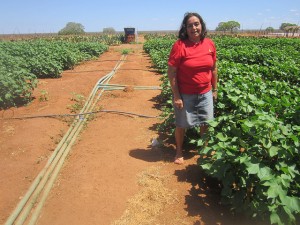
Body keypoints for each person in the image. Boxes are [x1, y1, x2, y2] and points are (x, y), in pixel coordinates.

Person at [167, 12, 218, 164]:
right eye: (190, 25)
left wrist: (214, 89)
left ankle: (205, 150)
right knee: (181, 124)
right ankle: (179, 151)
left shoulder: (209, 44)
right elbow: (171, 72)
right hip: (185, 93)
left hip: (205, 92)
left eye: (196, 24)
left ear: (202, 25)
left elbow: (214, 68)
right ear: (185, 28)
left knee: (205, 123)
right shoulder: (179, 46)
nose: (194, 28)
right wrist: (176, 96)